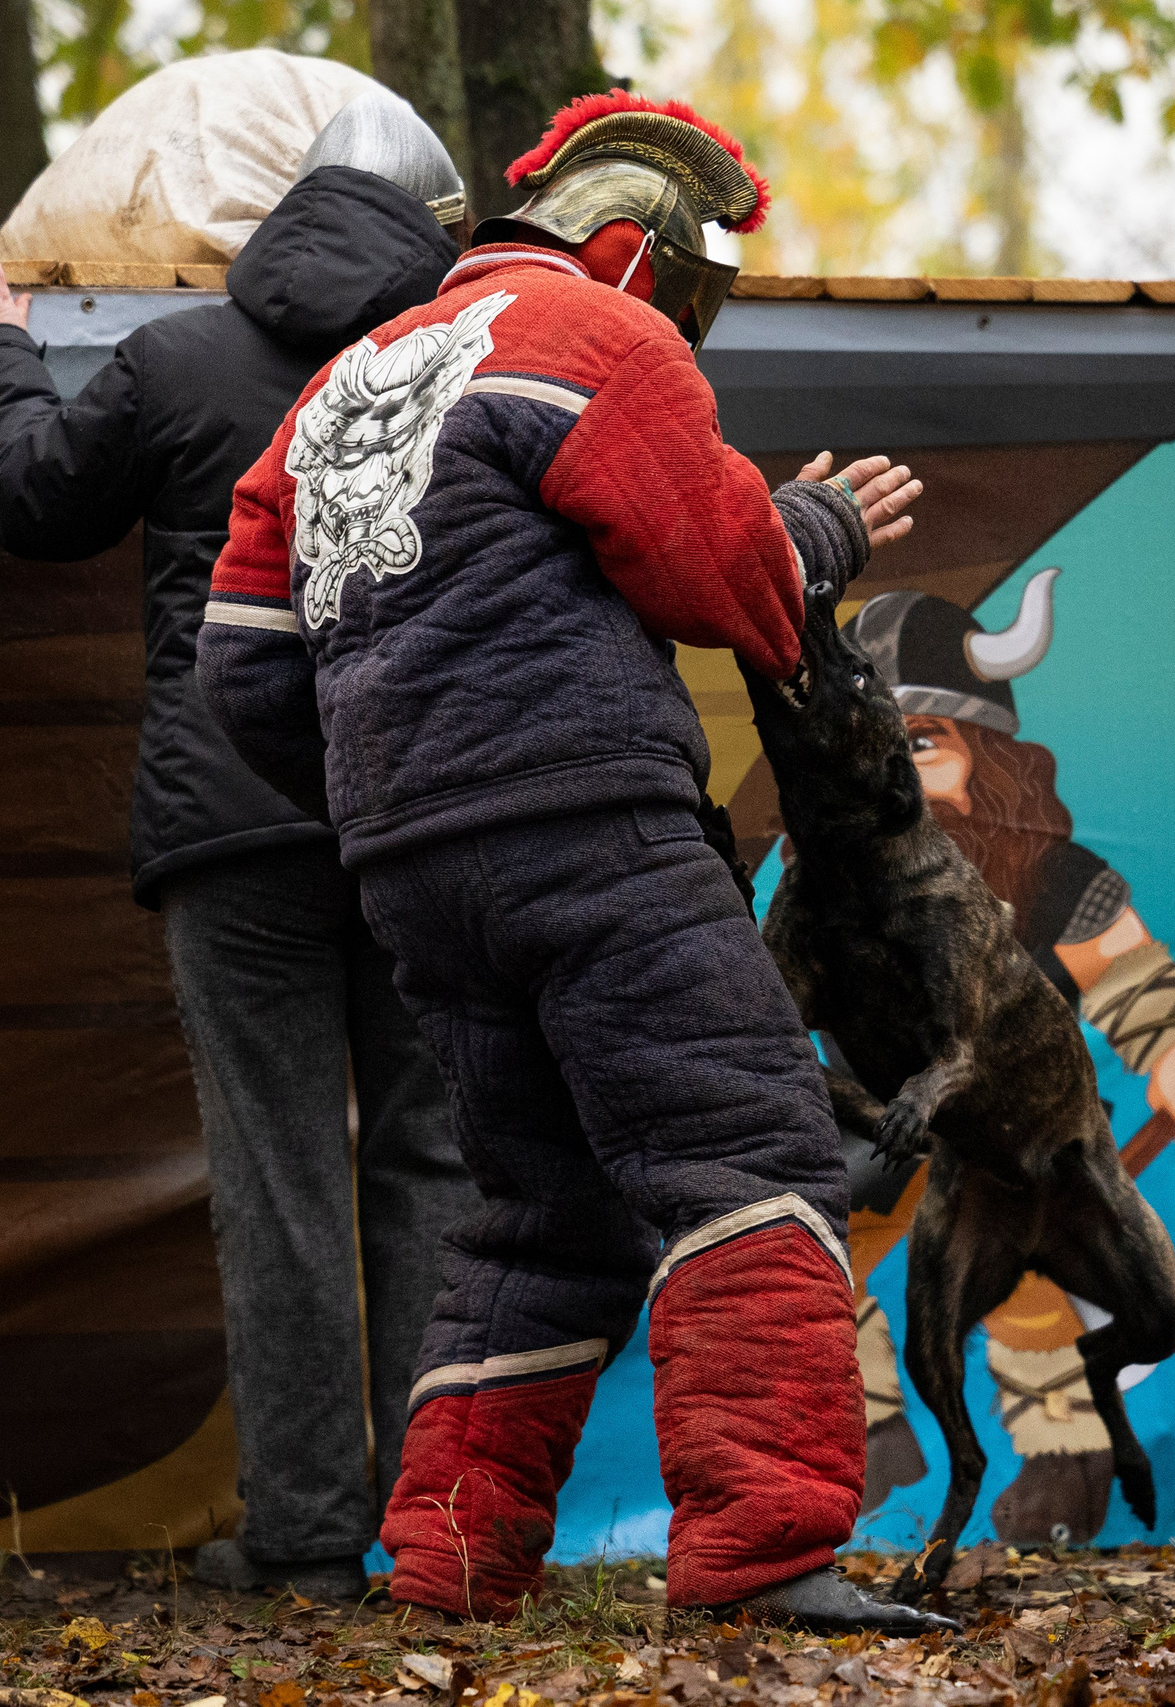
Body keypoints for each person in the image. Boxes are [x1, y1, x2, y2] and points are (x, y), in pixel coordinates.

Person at [196, 91, 945, 1630]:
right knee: (746, 1150)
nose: (688, 315)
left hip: (412, 866)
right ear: (637, 244)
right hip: (588, 823)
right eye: (689, 284)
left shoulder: (333, 392)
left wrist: (385, 794)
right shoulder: (596, 339)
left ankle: (451, 1560)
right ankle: (763, 1548)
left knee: (540, 1216)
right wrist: (811, 523)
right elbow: (721, 577)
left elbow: (244, 664)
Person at [0, 91, 482, 1603]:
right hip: (417, 817)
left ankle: (302, 1535)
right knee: (433, 1162)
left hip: (233, 823)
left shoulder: (176, 359)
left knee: (282, 1173)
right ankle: (448, 1533)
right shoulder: (453, 381)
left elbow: (34, 501)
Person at [833, 576, 1175, 1546]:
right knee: (802, 1252)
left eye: (921, 742)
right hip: (879, 1122)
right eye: (876, 745)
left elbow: (1130, 979)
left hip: (1021, 1126)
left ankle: (1063, 1461)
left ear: (990, 759)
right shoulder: (831, 882)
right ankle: (863, 1441)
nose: (895, 771)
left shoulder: (1049, 876)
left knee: (1030, 1285)